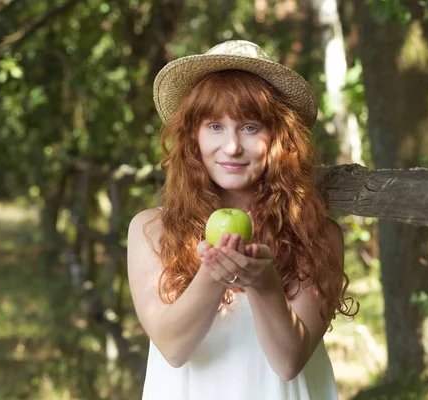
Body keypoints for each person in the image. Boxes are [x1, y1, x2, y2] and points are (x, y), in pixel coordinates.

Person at [127, 40, 357, 400]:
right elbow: (173, 348)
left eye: (250, 127)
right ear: (193, 137)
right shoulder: (152, 230)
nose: (232, 147)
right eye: (215, 126)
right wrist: (214, 273)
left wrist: (264, 283)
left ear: (279, 137)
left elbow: (288, 362)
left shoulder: (316, 234)